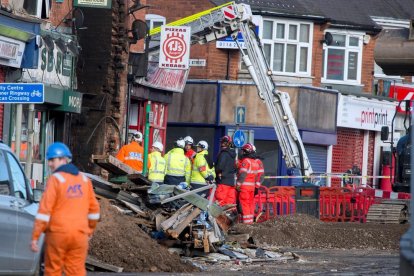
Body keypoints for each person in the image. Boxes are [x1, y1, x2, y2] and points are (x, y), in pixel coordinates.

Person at [31, 142, 100, 276]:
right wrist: (89, 230)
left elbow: (44, 211)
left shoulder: (55, 179)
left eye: (52, 160)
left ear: (63, 159)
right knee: (76, 271)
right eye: (49, 160)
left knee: (53, 271)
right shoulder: (84, 180)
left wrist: (35, 236)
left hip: (58, 234)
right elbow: (94, 211)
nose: (50, 164)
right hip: (80, 236)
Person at [236, 143, 264, 224]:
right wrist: (257, 186)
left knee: (244, 205)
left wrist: (238, 184)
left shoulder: (246, 161)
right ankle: (250, 222)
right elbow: (259, 176)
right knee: (250, 204)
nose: (242, 153)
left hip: (244, 187)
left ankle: (246, 224)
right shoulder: (255, 162)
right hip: (252, 188)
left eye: (244, 151)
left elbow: (243, 175)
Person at [215, 135, 237, 206]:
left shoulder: (223, 153)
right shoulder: (233, 154)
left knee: (221, 202)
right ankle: (228, 216)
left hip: (223, 182)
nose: (222, 144)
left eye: (224, 142)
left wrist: (216, 173)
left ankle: (220, 217)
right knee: (229, 204)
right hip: (231, 182)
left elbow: (219, 167)